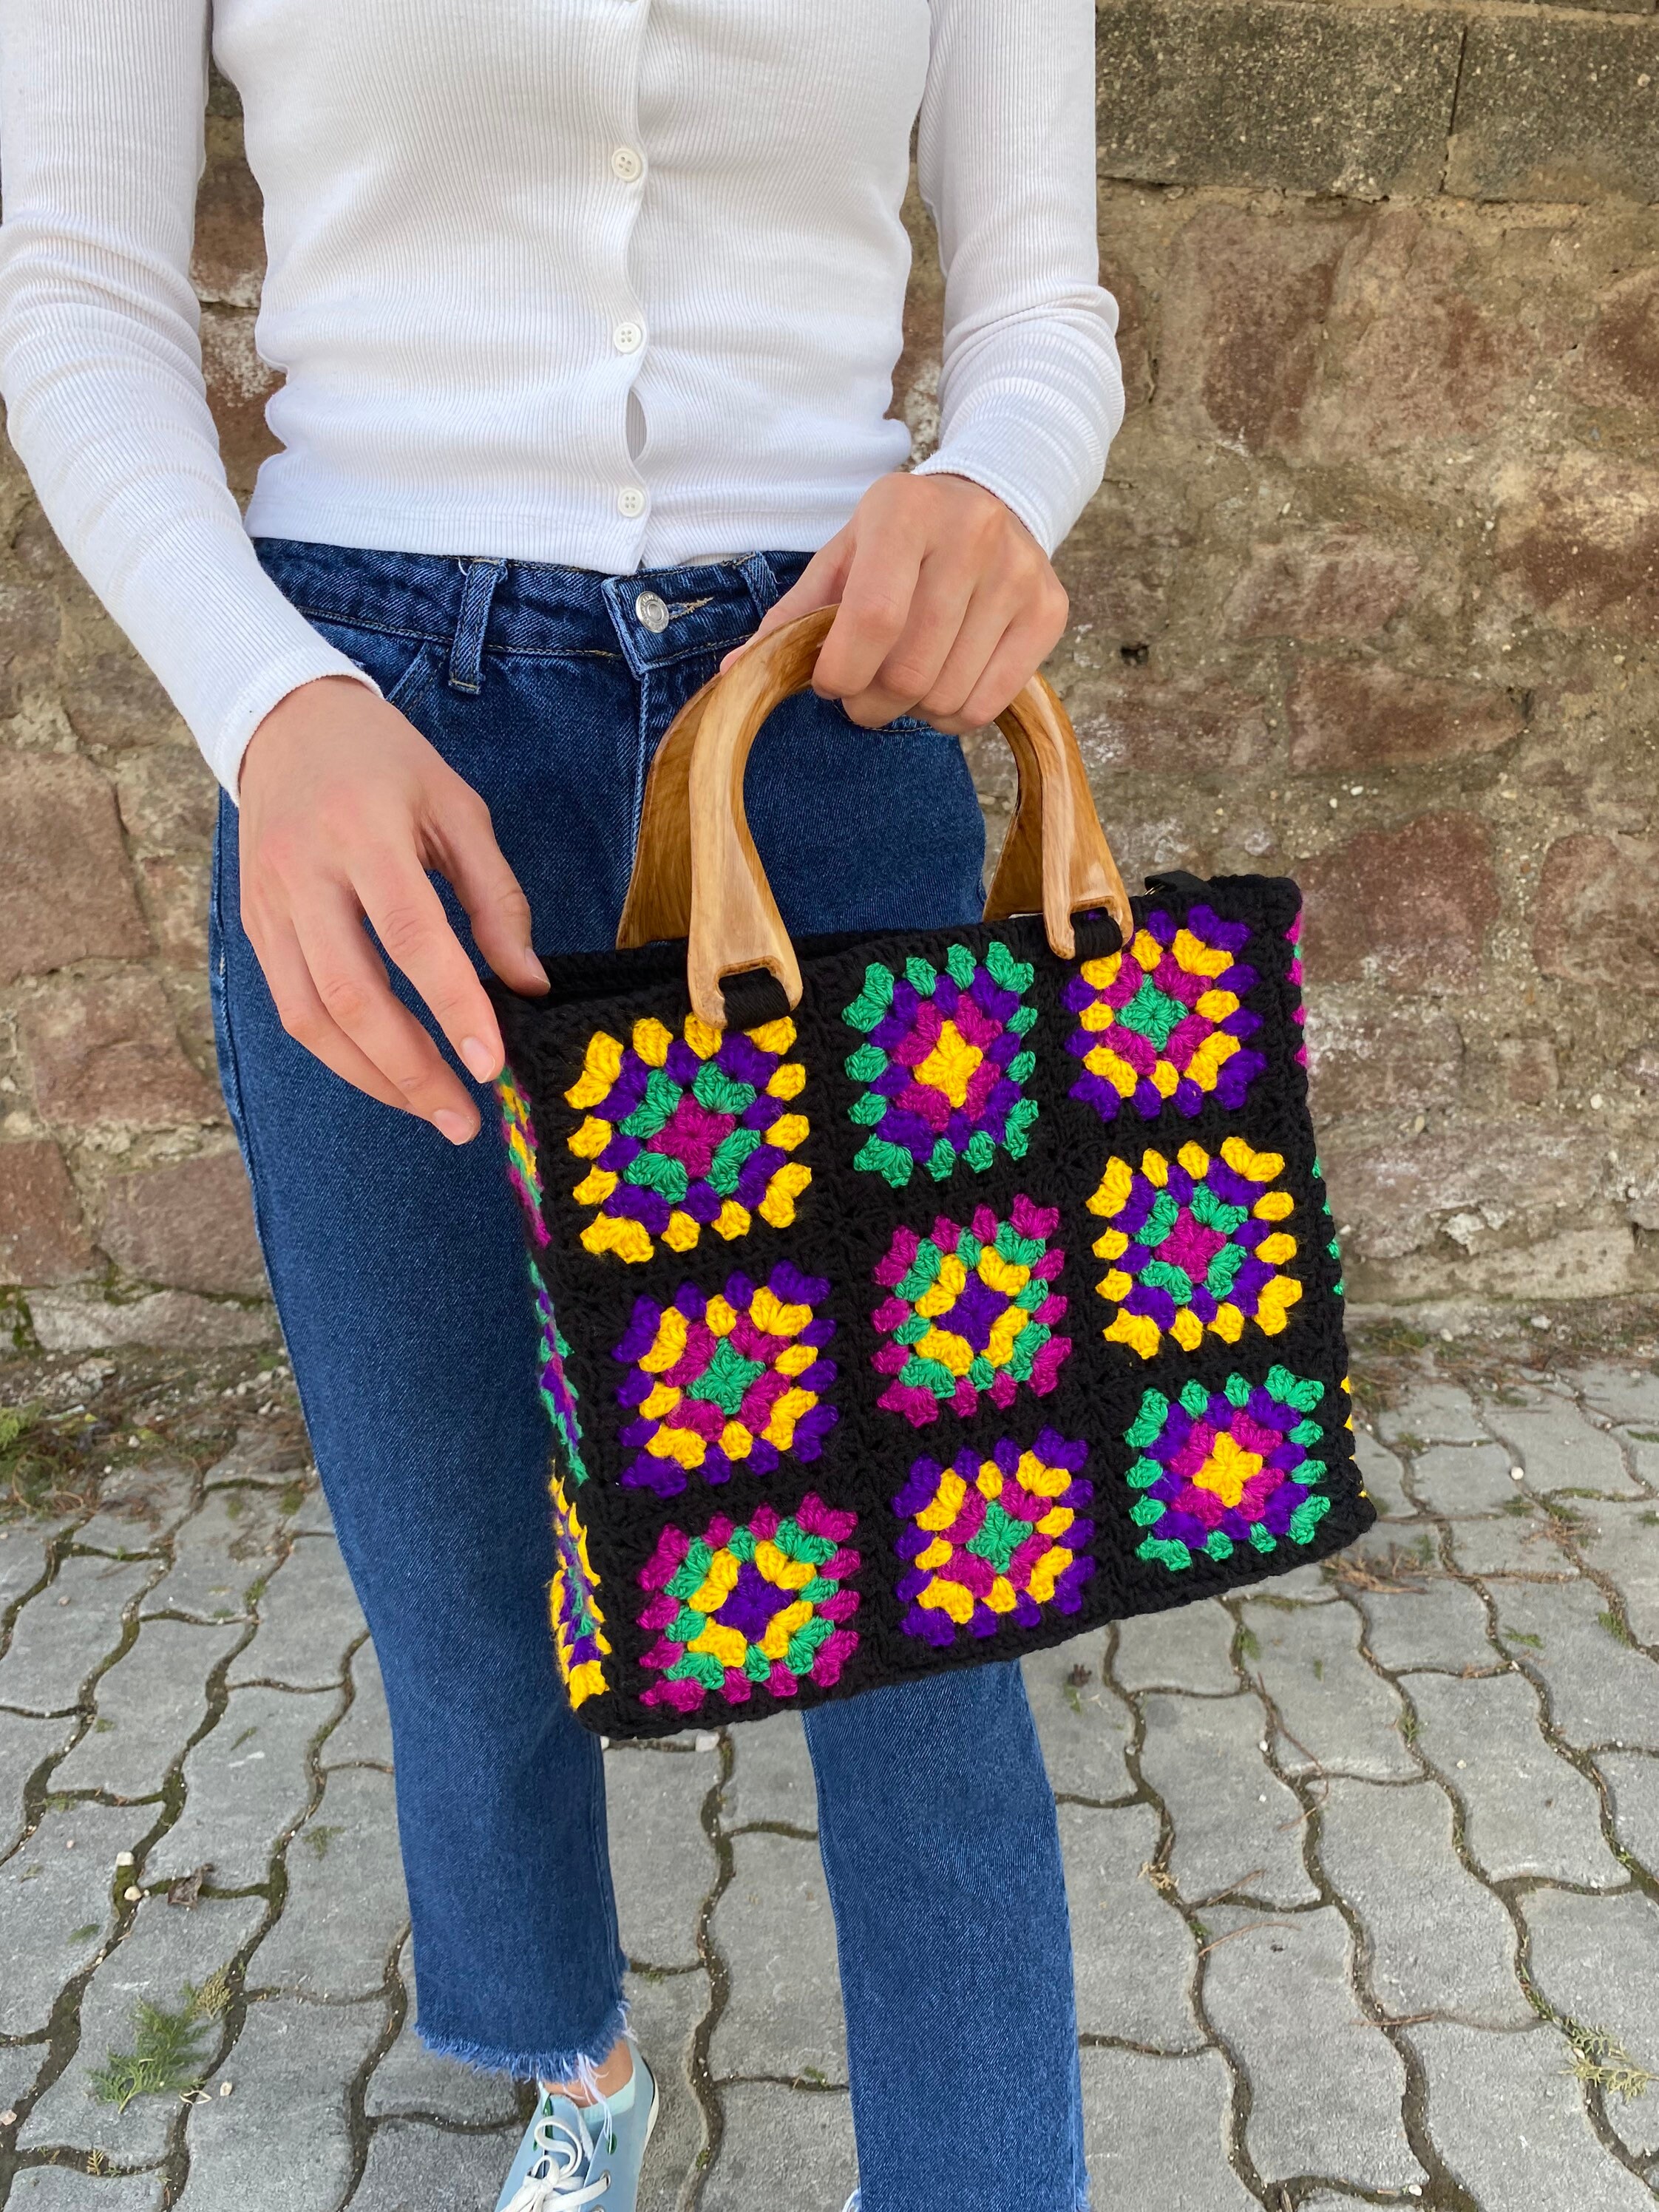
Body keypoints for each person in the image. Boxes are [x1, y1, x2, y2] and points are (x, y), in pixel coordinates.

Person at [0, 6, 1123, 2206]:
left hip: (824, 708)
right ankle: (568, 2056)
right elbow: (77, 290)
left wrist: (991, 487)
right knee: (454, 1544)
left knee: (933, 1599)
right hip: (373, 741)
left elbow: (1036, 302)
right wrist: (264, 709)